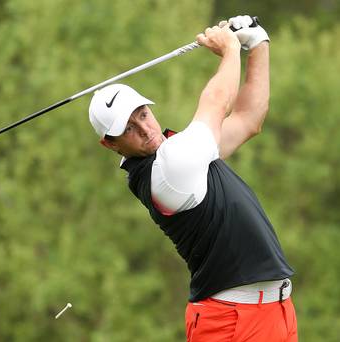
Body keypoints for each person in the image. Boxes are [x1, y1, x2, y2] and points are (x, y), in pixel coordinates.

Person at [88, 15, 297, 342]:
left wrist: (257, 43)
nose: (145, 129)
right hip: (230, 322)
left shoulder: (185, 153)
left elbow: (247, 119)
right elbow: (217, 101)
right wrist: (229, 49)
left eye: (142, 114)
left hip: (274, 314)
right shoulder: (169, 170)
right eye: (128, 128)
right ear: (110, 144)